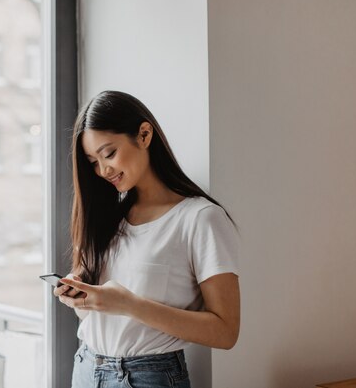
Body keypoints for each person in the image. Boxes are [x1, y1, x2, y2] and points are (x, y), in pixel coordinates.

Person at [54, 90, 240, 388]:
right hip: (87, 367)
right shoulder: (107, 218)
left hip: (148, 377)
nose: (103, 170)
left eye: (109, 154)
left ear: (144, 135)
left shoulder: (200, 218)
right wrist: (84, 297)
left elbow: (226, 331)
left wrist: (129, 304)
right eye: (93, 162)